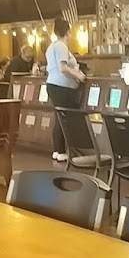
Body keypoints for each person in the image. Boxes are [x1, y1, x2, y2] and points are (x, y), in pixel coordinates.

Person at [45, 17, 85, 162]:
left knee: (59, 118)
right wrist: (79, 75)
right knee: (64, 119)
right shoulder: (61, 46)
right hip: (62, 87)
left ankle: (57, 150)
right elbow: (63, 68)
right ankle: (62, 151)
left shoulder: (51, 47)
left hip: (53, 85)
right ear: (68, 32)